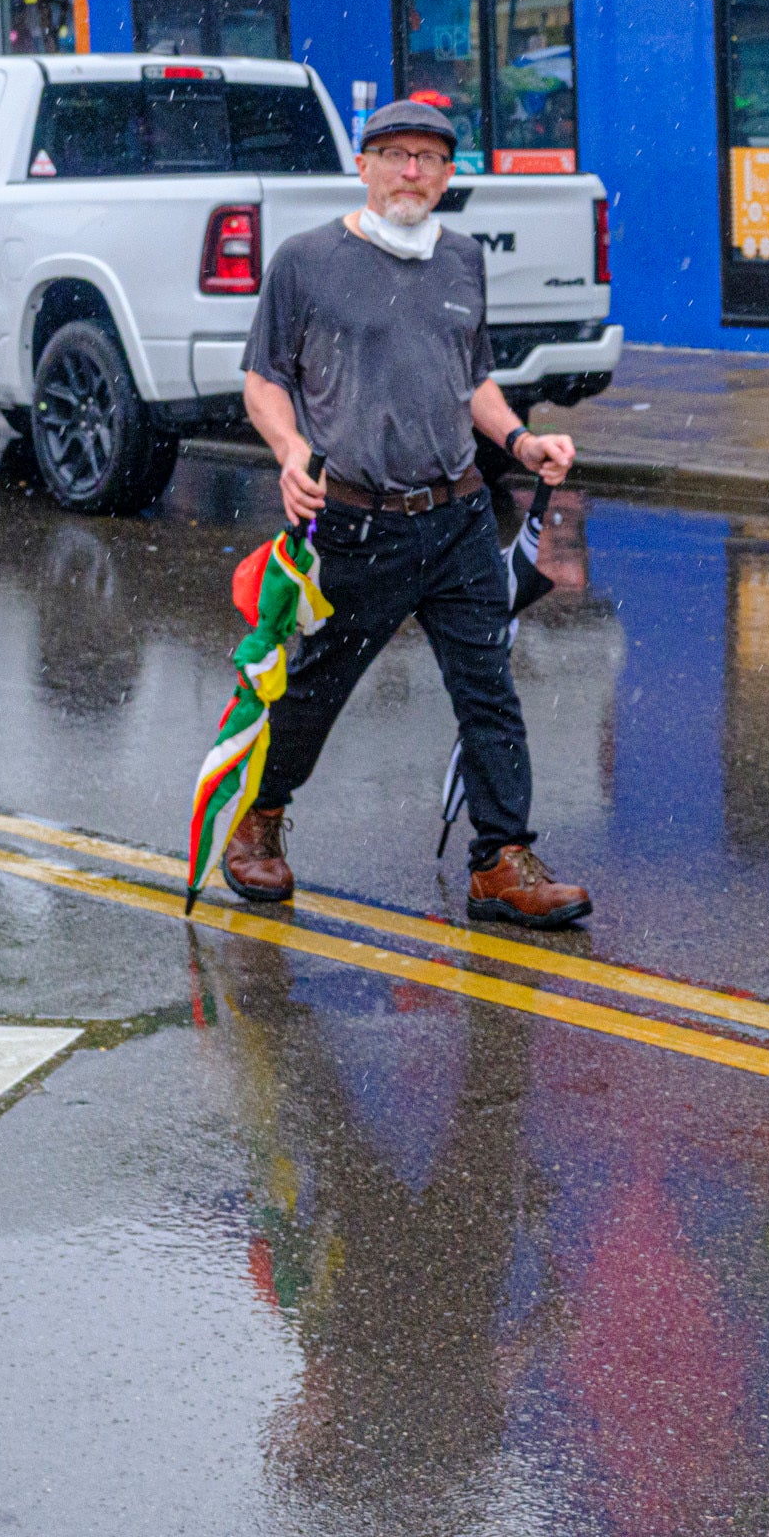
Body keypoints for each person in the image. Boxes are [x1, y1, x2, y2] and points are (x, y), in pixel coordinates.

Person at [225, 97, 591, 930]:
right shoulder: (306, 261)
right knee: (316, 689)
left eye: (429, 158)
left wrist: (521, 442)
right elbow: (262, 381)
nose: (412, 172)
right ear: (364, 165)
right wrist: (289, 452)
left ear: (448, 174)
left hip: (458, 516)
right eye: (396, 155)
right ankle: (260, 818)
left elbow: (474, 384)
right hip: (358, 519)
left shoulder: (461, 260)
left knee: (490, 689)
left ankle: (501, 858)